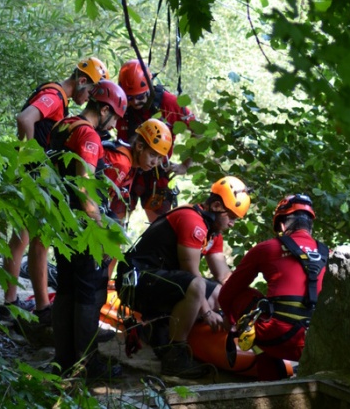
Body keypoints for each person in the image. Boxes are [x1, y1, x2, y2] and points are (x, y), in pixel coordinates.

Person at [0, 57, 109, 326]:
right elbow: (25, 119)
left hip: (28, 174)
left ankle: (10, 303)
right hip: (32, 175)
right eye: (91, 91)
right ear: (82, 81)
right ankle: (41, 307)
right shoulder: (55, 96)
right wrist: (31, 160)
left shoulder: (59, 100)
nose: (90, 97)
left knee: (21, 239)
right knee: (38, 240)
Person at [116, 176, 251, 377]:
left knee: (218, 293)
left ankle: (160, 329)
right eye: (231, 217)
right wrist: (207, 313)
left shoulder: (213, 232)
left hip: (159, 281)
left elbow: (223, 275)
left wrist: (242, 307)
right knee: (197, 285)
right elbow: (191, 272)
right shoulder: (192, 221)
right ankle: (175, 355)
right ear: (215, 205)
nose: (232, 223)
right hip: (136, 282)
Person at [48, 79, 127, 380]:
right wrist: (100, 231)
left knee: (68, 287)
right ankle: (86, 363)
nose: (115, 124)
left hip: (61, 221)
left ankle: (64, 360)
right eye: (115, 117)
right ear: (104, 109)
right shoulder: (88, 135)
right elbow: (84, 188)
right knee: (91, 291)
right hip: (82, 226)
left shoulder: (64, 125)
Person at [218, 193, 329, 381]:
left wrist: (231, 322)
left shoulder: (267, 248)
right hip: (319, 341)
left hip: (278, 338)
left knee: (243, 298)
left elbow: (227, 294)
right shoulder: (329, 254)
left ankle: (269, 375)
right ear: (310, 225)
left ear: (283, 225)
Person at [116, 59, 196, 222]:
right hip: (126, 169)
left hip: (157, 173)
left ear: (149, 88)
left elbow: (199, 131)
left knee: (160, 227)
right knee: (113, 224)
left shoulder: (169, 104)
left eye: (139, 97)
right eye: (128, 97)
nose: (133, 103)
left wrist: (186, 165)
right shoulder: (121, 104)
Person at [101, 118, 173, 223]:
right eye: (152, 155)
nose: (154, 162)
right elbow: (98, 195)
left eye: (159, 158)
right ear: (139, 146)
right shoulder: (123, 163)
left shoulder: (132, 163)